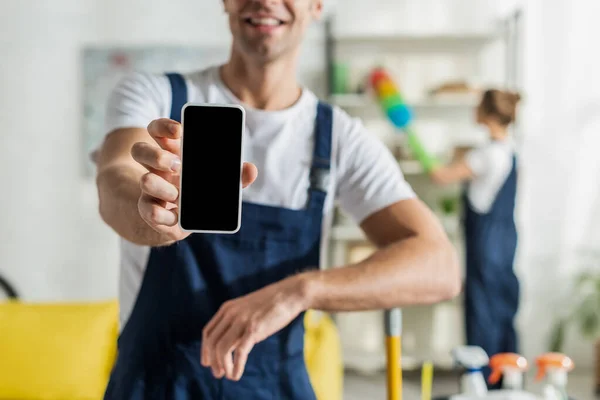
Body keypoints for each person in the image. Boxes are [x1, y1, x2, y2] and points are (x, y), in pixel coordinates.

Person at [94, 0, 461, 398]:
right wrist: (152, 213)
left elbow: (439, 267)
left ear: (316, 5)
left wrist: (300, 291)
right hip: (154, 385)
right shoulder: (156, 97)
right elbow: (116, 180)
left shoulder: (339, 138)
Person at [428, 89, 521, 389]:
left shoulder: (484, 155)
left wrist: (417, 146)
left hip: (484, 242)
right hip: (507, 240)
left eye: (478, 105)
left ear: (489, 114)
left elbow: (440, 176)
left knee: (481, 309)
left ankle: (480, 380)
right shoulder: (508, 150)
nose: (473, 109)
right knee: (503, 307)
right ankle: (508, 377)